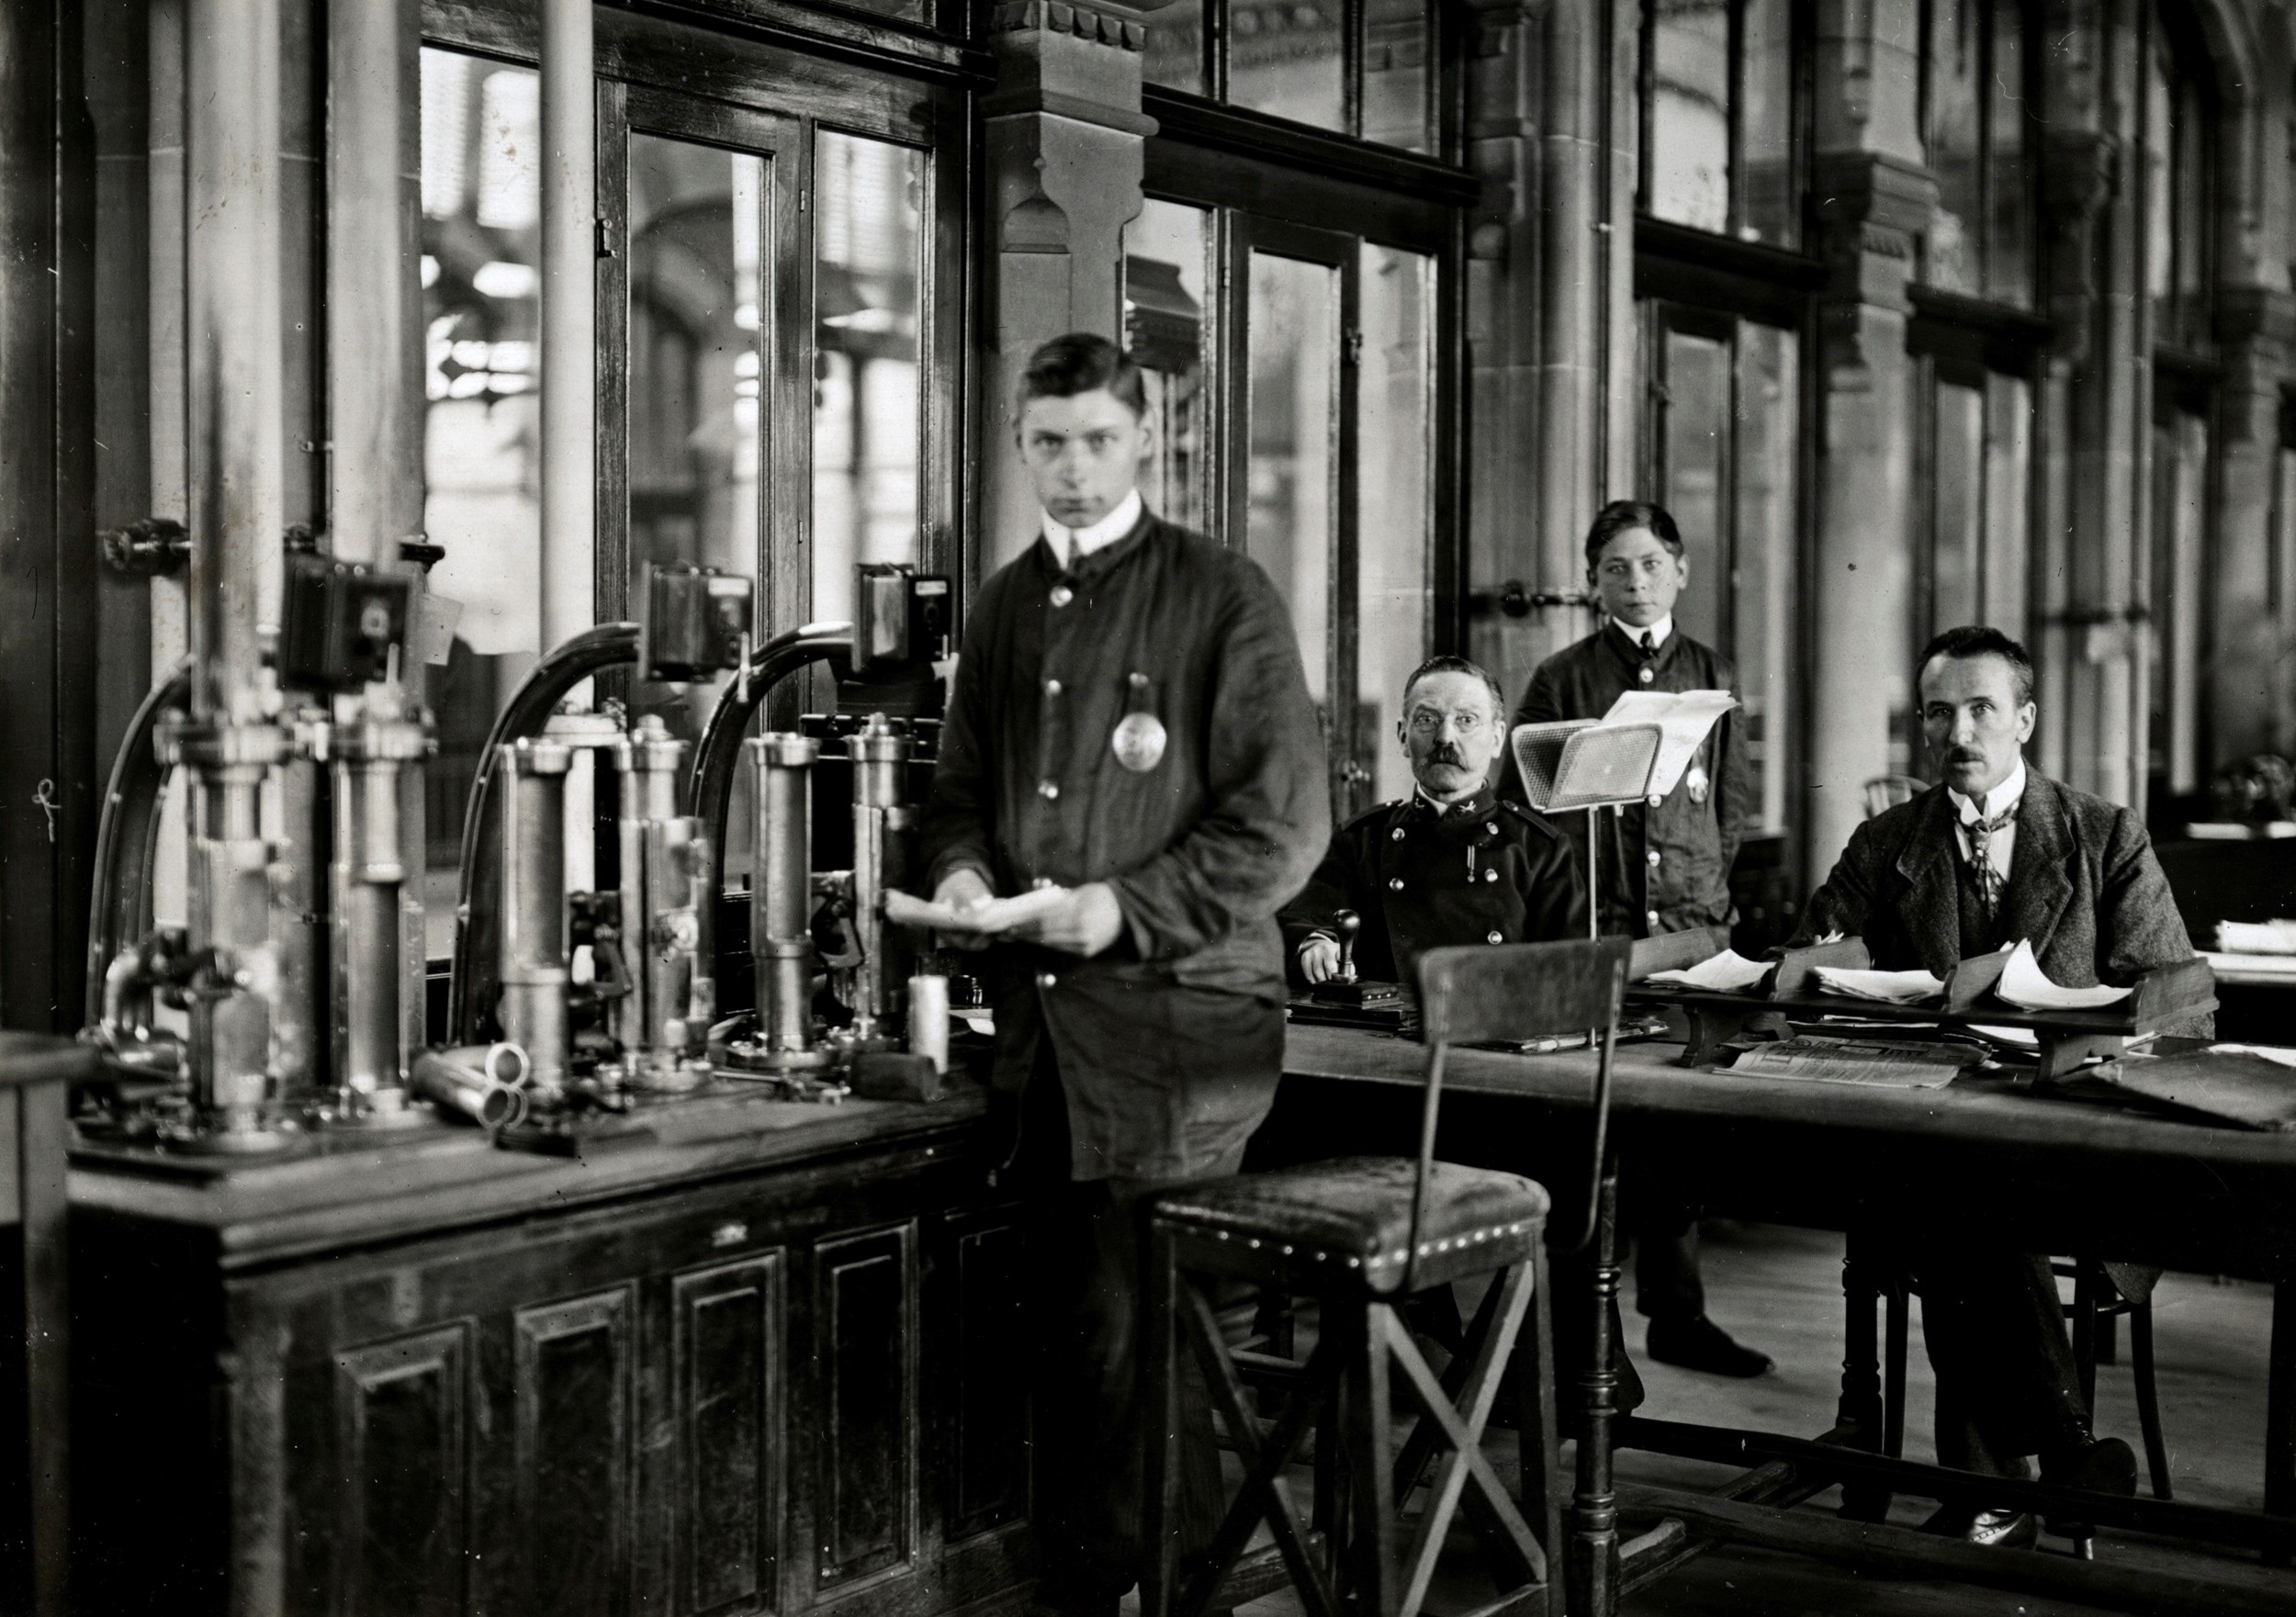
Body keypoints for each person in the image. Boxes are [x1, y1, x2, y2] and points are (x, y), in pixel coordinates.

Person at [918, 333, 1329, 1616]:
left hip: (1181, 1035)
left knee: (1143, 1350)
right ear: (1019, 444)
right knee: (1086, 1353)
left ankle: (1172, 1592)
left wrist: (1121, 908)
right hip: (1048, 1040)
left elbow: (1284, 827)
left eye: (1099, 440)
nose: (1075, 470)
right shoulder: (999, 606)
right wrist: (970, 876)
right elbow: (955, 799)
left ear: (1145, 436)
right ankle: (1117, 1591)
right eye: (1049, 443)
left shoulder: (1221, 594)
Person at [1795, 624, 2199, 1545]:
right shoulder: (1886, 841)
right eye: (1939, 712)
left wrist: (2082, 1042)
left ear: (2023, 719)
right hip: (1929, 1136)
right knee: (1960, 1191)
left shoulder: (2104, 835)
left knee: (1968, 1203)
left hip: (2072, 1148)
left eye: (1980, 709)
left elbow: (2177, 1009)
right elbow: (1807, 972)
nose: (1958, 733)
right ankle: (2056, 1451)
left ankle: (1993, 1486)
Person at [1508, 499, 1772, 1380]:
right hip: (1603, 925)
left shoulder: (1710, 671)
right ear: (1591, 583)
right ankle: (1593, 1337)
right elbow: (1535, 814)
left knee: (1681, 1120)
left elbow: (1728, 807)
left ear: (1681, 570)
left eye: (1651, 564)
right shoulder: (1562, 679)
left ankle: (1678, 1314)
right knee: (1601, 1125)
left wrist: (1700, 895)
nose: (1635, 580)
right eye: (1616, 567)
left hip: (1692, 924)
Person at [1281, 654, 1584, 988]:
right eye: (1427, 719)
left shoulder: (1540, 849)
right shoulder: (1360, 840)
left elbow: (1569, 972)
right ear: (1402, 736)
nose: (1445, 737)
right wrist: (1316, 942)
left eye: (1466, 720)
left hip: (1494, 1031)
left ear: (1497, 739)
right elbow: (1302, 917)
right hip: (1380, 1032)